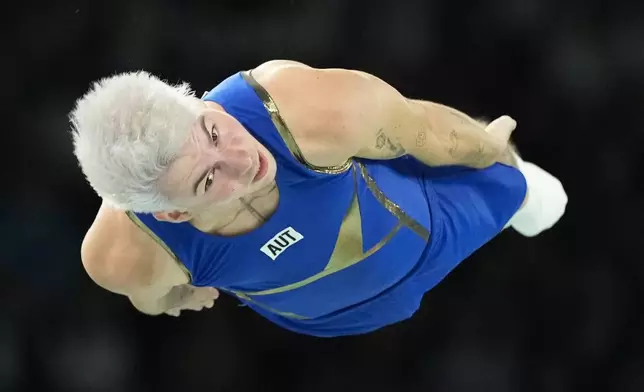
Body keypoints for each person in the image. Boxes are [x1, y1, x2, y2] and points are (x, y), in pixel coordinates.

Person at [71, 60, 567, 337]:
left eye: (215, 131)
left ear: (198, 101)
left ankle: (515, 181)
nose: (245, 160)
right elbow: (152, 298)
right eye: (208, 178)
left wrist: (491, 148)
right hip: (332, 319)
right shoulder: (122, 256)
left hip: (427, 229)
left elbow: (429, 134)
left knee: (543, 203)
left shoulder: (302, 110)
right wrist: (181, 296)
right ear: (171, 213)